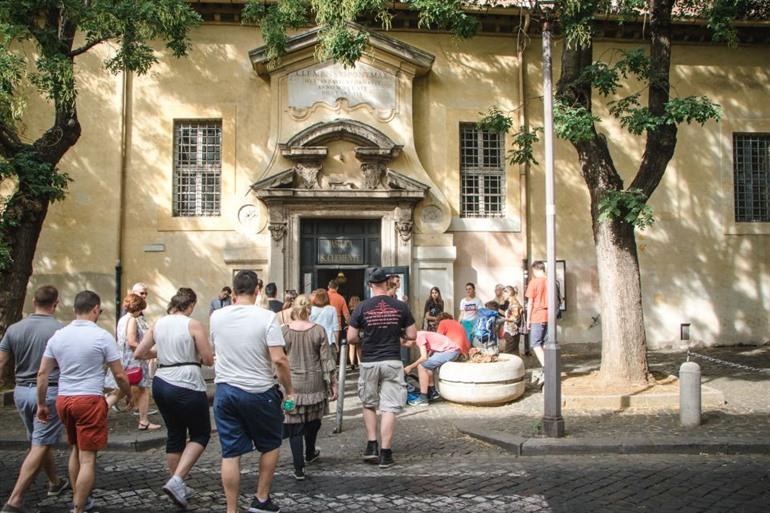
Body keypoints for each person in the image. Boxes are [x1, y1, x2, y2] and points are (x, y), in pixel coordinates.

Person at [37, 290, 133, 513]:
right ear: (96, 309)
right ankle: (79, 508)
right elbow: (119, 375)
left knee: (75, 450)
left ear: (74, 310)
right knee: (88, 458)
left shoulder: (59, 336)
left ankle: (80, 501)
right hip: (89, 399)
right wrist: (128, 394)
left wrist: (41, 404)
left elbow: (42, 373)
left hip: (64, 399)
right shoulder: (101, 336)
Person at [210, 271, 294, 513]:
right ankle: (261, 498)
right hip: (259, 391)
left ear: (233, 292)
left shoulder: (217, 317)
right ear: (258, 291)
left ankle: (231, 509)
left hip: (225, 391)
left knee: (230, 453)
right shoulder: (267, 318)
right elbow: (279, 359)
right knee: (270, 444)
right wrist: (289, 391)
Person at [133, 288, 213, 509]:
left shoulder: (158, 324)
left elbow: (139, 353)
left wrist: (161, 353)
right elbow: (207, 359)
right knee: (201, 433)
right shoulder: (192, 324)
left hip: (162, 381)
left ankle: (177, 483)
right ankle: (177, 480)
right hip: (187, 381)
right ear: (190, 305)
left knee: (175, 433)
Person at [0, 286, 69, 513]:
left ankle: (55, 482)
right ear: (55, 303)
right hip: (48, 391)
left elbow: (1, 361)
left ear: (33, 301)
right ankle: (15, 500)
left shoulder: (14, 329)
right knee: (40, 444)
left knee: (39, 440)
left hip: (21, 392)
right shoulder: (60, 330)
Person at [347, 268, 416, 469]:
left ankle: (371, 445)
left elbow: (351, 337)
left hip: (369, 360)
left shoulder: (362, 307)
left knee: (369, 403)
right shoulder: (400, 306)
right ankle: (386, 453)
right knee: (389, 407)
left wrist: (365, 337)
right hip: (392, 360)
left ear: (370, 285)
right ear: (387, 283)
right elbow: (412, 335)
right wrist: (399, 335)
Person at [281, 295, 337, 480]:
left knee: (292, 422)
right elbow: (326, 361)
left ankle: (299, 467)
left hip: (290, 388)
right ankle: (310, 451)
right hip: (315, 385)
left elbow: (278, 360)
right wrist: (333, 383)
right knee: (315, 419)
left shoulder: (284, 332)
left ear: (293, 310)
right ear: (309, 310)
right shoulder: (319, 331)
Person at [105, 294, 160, 431]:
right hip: (133, 360)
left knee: (119, 392)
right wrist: (145, 350)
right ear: (138, 307)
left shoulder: (123, 319)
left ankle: (96, 415)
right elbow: (131, 341)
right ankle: (143, 421)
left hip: (123, 359)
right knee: (143, 390)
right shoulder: (133, 320)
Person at [404, 330, 462, 406]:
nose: (404, 345)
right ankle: (432, 392)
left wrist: (410, 367)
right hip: (448, 351)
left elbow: (423, 357)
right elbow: (427, 356)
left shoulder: (419, 337)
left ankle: (423, 398)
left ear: (409, 339)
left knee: (421, 366)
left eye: (404, 343)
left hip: (450, 351)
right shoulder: (420, 335)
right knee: (426, 366)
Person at [525, 261, 549, 386]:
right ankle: (548, 368)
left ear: (535, 270)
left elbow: (530, 303)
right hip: (549, 316)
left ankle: (547, 369)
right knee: (545, 343)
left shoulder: (533, 283)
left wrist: (528, 320)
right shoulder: (552, 281)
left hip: (537, 316)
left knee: (535, 344)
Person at [501, 286, 525, 355]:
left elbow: (515, 318)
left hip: (512, 332)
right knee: (514, 353)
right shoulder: (511, 303)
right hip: (510, 331)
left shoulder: (514, 304)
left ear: (509, 293)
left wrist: (503, 319)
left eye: (504, 293)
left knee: (508, 353)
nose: (503, 295)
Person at [347, 295, 361, 370]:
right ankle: (359, 362)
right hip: (359, 329)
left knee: (351, 347)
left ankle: (352, 363)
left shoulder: (350, 310)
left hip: (351, 329)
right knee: (359, 347)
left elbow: (348, 320)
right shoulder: (360, 310)